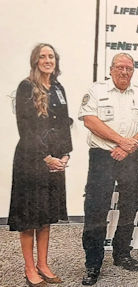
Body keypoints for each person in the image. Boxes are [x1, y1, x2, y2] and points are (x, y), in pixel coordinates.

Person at [78, 53, 138, 285]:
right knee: (96, 208)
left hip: (131, 156)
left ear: (133, 71)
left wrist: (130, 146)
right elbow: (89, 120)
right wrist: (121, 141)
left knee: (130, 205)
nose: (124, 72)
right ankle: (93, 263)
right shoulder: (96, 90)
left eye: (129, 68)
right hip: (102, 156)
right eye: (120, 67)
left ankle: (122, 254)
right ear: (111, 69)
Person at [8, 43, 72, 287]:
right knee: (29, 218)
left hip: (55, 159)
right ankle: (29, 268)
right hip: (31, 160)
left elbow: (64, 124)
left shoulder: (58, 87)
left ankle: (43, 264)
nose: (48, 60)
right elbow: (26, 129)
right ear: (35, 60)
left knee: (45, 217)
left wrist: (65, 155)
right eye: (43, 56)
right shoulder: (27, 86)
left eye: (51, 56)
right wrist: (46, 157)